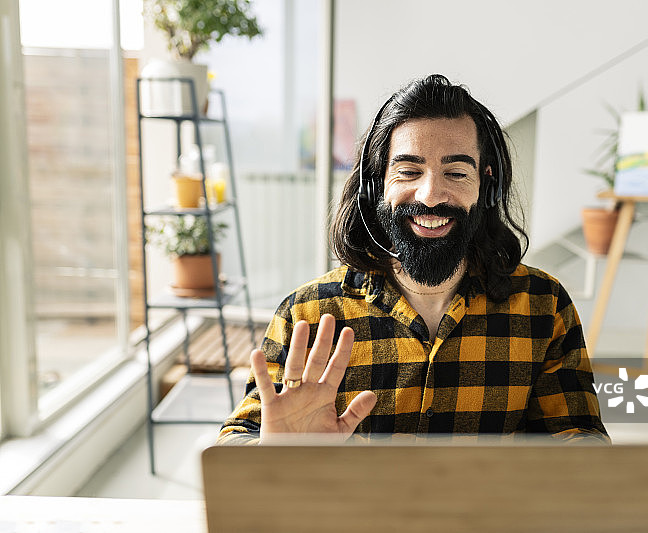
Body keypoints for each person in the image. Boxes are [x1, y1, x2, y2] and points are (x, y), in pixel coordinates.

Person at [218, 74, 608, 444]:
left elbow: (581, 441)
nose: (430, 195)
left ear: (486, 185)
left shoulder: (545, 305)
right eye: (408, 171)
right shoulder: (306, 315)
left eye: (456, 172)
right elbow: (234, 448)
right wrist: (272, 453)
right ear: (376, 186)